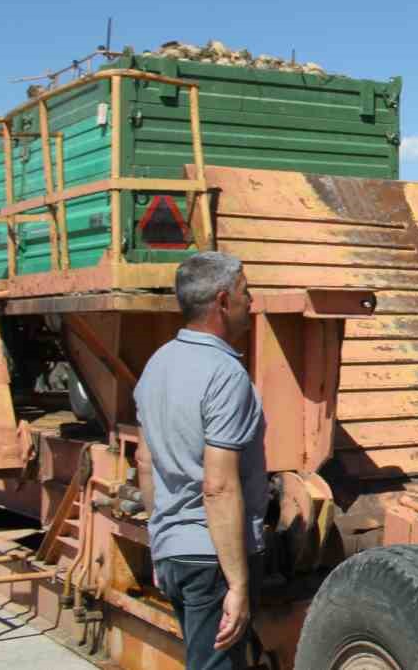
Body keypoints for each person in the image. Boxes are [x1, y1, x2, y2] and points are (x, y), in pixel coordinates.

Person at [136, 252, 267, 670]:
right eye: (247, 292)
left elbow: (144, 462)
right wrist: (239, 582)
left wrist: (160, 546)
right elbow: (219, 486)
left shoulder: (157, 364)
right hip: (212, 559)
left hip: (175, 552)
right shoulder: (225, 374)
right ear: (224, 302)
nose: (253, 302)